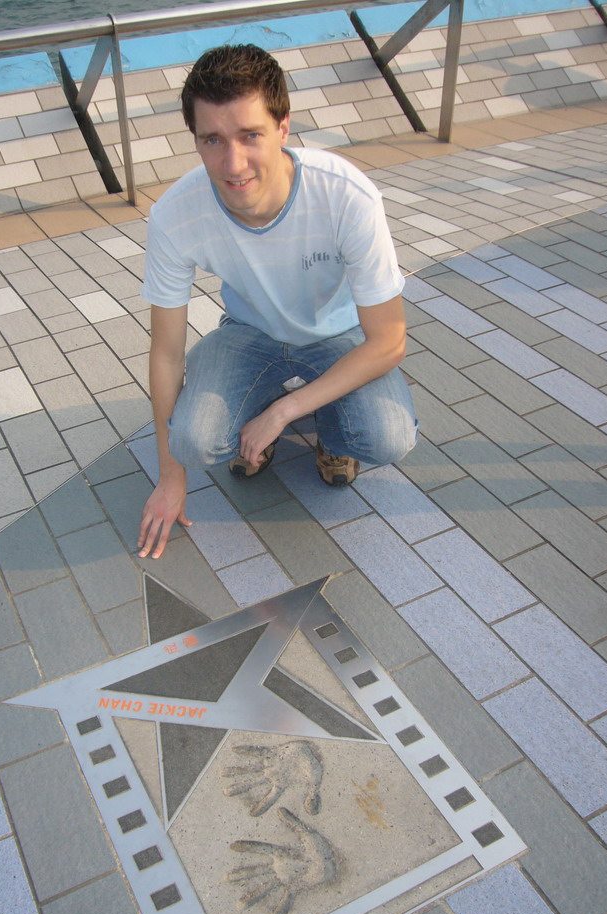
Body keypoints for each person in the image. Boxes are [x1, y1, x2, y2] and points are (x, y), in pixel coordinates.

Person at [137, 43, 418, 559]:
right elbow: (165, 353)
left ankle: (315, 428)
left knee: (387, 437)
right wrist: (171, 478)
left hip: (337, 336)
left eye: (250, 136)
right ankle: (258, 413)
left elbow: (389, 340)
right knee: (192, 440)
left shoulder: (345, 195)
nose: (233, 162)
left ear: (283, 128)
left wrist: (285, 412)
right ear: (196, 141)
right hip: (248, 334)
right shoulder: (176, 215)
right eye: (213, 140)